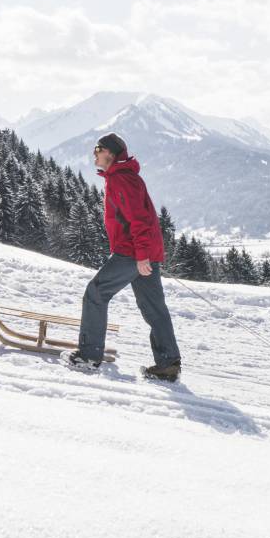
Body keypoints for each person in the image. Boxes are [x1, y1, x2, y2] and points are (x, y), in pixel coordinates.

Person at [68, 132, 182, 381]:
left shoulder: (121, 179)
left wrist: (141, 256)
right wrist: (146, 255)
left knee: (96, 293)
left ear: (109, 153)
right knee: (154, 308)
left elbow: (139, 220)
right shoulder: (123, 177)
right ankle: (168, 364)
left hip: (132, 252)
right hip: (142, 251)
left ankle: (89, 356)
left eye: (97, 149)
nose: (94, 154)